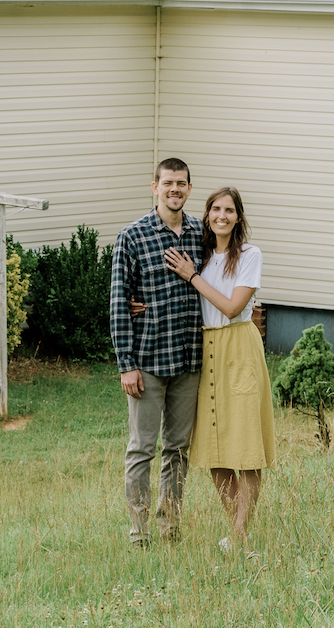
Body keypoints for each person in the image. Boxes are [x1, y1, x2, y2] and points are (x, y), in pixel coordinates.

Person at [163, 186, 276, 543]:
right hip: (206, 347)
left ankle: (241, 534)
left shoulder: (248, 255)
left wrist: (191, 277)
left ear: (238, 217)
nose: (222, 216)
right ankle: (237, 531)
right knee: (214, 448)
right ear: (207, 215)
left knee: (246, 445)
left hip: (238, 346)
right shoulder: (201, 255)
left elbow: (231, 307)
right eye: (215, 210)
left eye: (229, 210)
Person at [110, 158, 203, 549]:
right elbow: (118, 303)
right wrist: (126, 365)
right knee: (142, 449)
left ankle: (170, 527)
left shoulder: (201, 232)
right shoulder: (132, 235)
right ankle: (139, 533)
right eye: (168, 183)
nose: (174, 189)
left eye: (181, 183)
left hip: (189, 360)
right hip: (148, 361)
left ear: (189, 188)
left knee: (178, 449)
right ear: (155, 187)